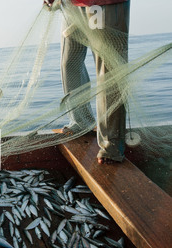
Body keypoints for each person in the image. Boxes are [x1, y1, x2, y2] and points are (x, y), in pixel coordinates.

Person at [44, 0, 130, 164]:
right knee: (69, 63)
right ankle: (81, 122)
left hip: (105, 5)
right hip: (72, 5)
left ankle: (111, 147)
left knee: (109, 72)